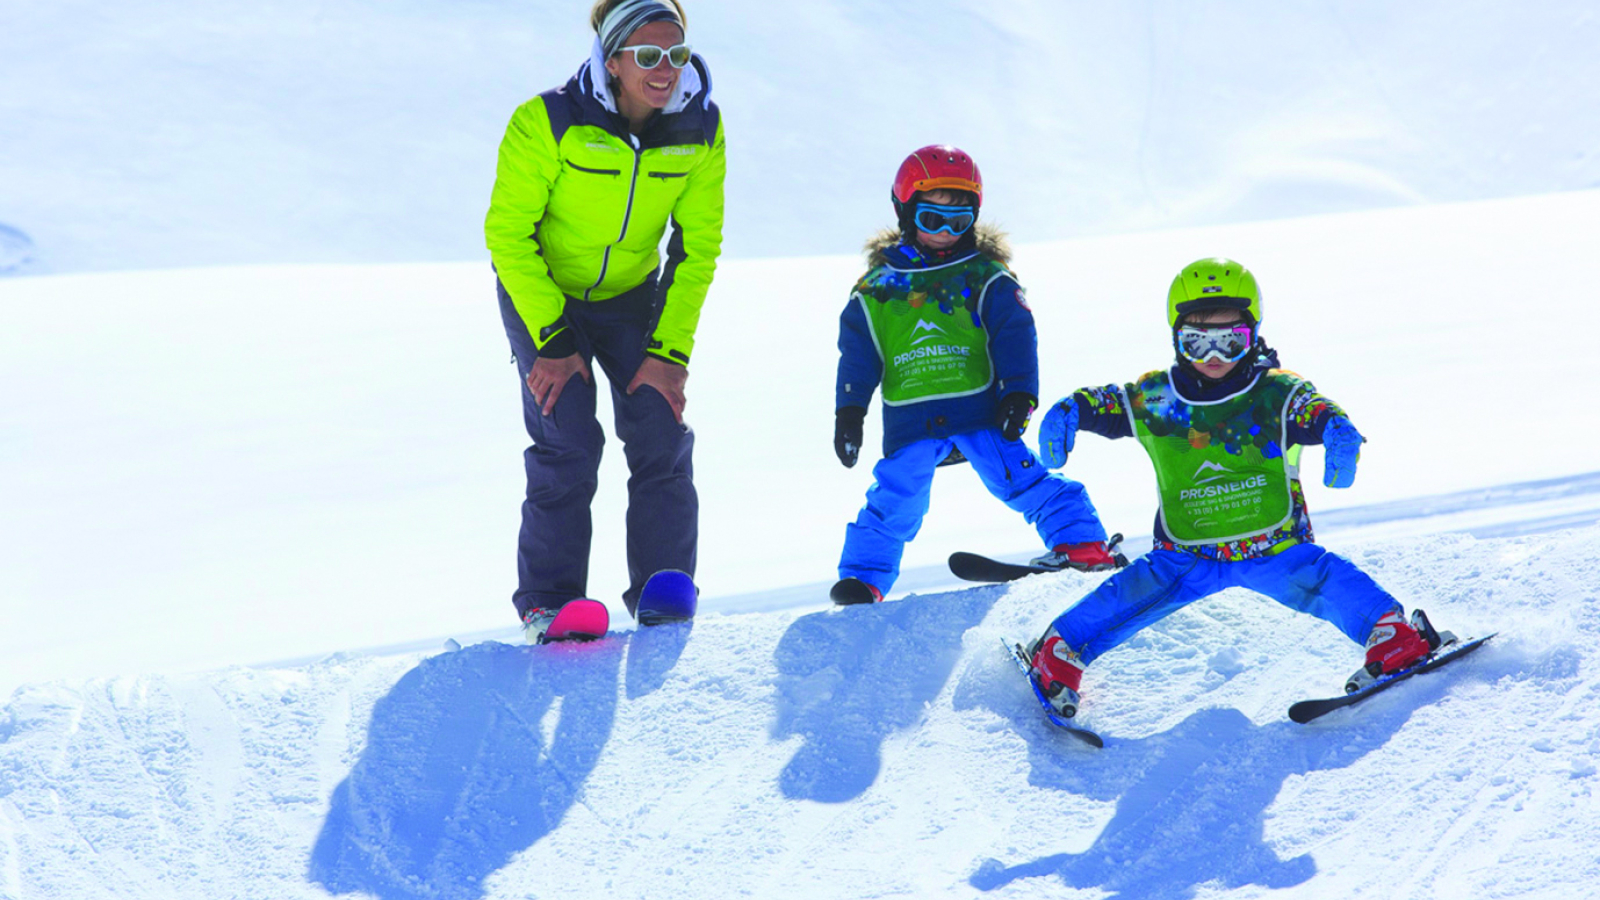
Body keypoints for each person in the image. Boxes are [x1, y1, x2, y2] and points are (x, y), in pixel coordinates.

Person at [1024, 257, 1453, 717]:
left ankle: (1392, 635)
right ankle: (1060, 648)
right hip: (1187, 555)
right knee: (1130, 594)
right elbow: (1108, 402)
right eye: (1197, 342)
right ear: (1176, 338)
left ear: (1253, 335)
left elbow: (1312, 408)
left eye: (1231, 341)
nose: (1214, 358)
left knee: (1326, 578)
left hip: (1273, 548)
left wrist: (1335, 428)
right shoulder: (1157, 397)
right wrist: (1072, 409)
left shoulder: (1275, 393)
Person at [485, 0, 725, 640]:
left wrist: (669, 354)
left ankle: (663, 587)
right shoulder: (548, 119)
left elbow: (698, 248)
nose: (665, 69)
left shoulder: (701, 126)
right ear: (612, 58)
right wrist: (554, 340)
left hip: (629, 298)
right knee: (568, 439)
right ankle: (549, 603)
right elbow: (507, 236)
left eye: (675, 54)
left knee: (659, 428)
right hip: (544, 292)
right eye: (647, 56)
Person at [829, 145, 1121, 605]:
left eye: (959, 221)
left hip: (979, 409)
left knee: (1020, 479)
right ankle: (864, 578)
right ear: (905, 213)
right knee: (895, 497)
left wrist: (1019, 394)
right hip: (911, 416)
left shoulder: (985, 275)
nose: (946, 233)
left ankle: (1082, 541)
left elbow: (1015, 334)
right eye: (932, 220)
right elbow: (858, 352)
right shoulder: (879, 288)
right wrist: (850, 412)